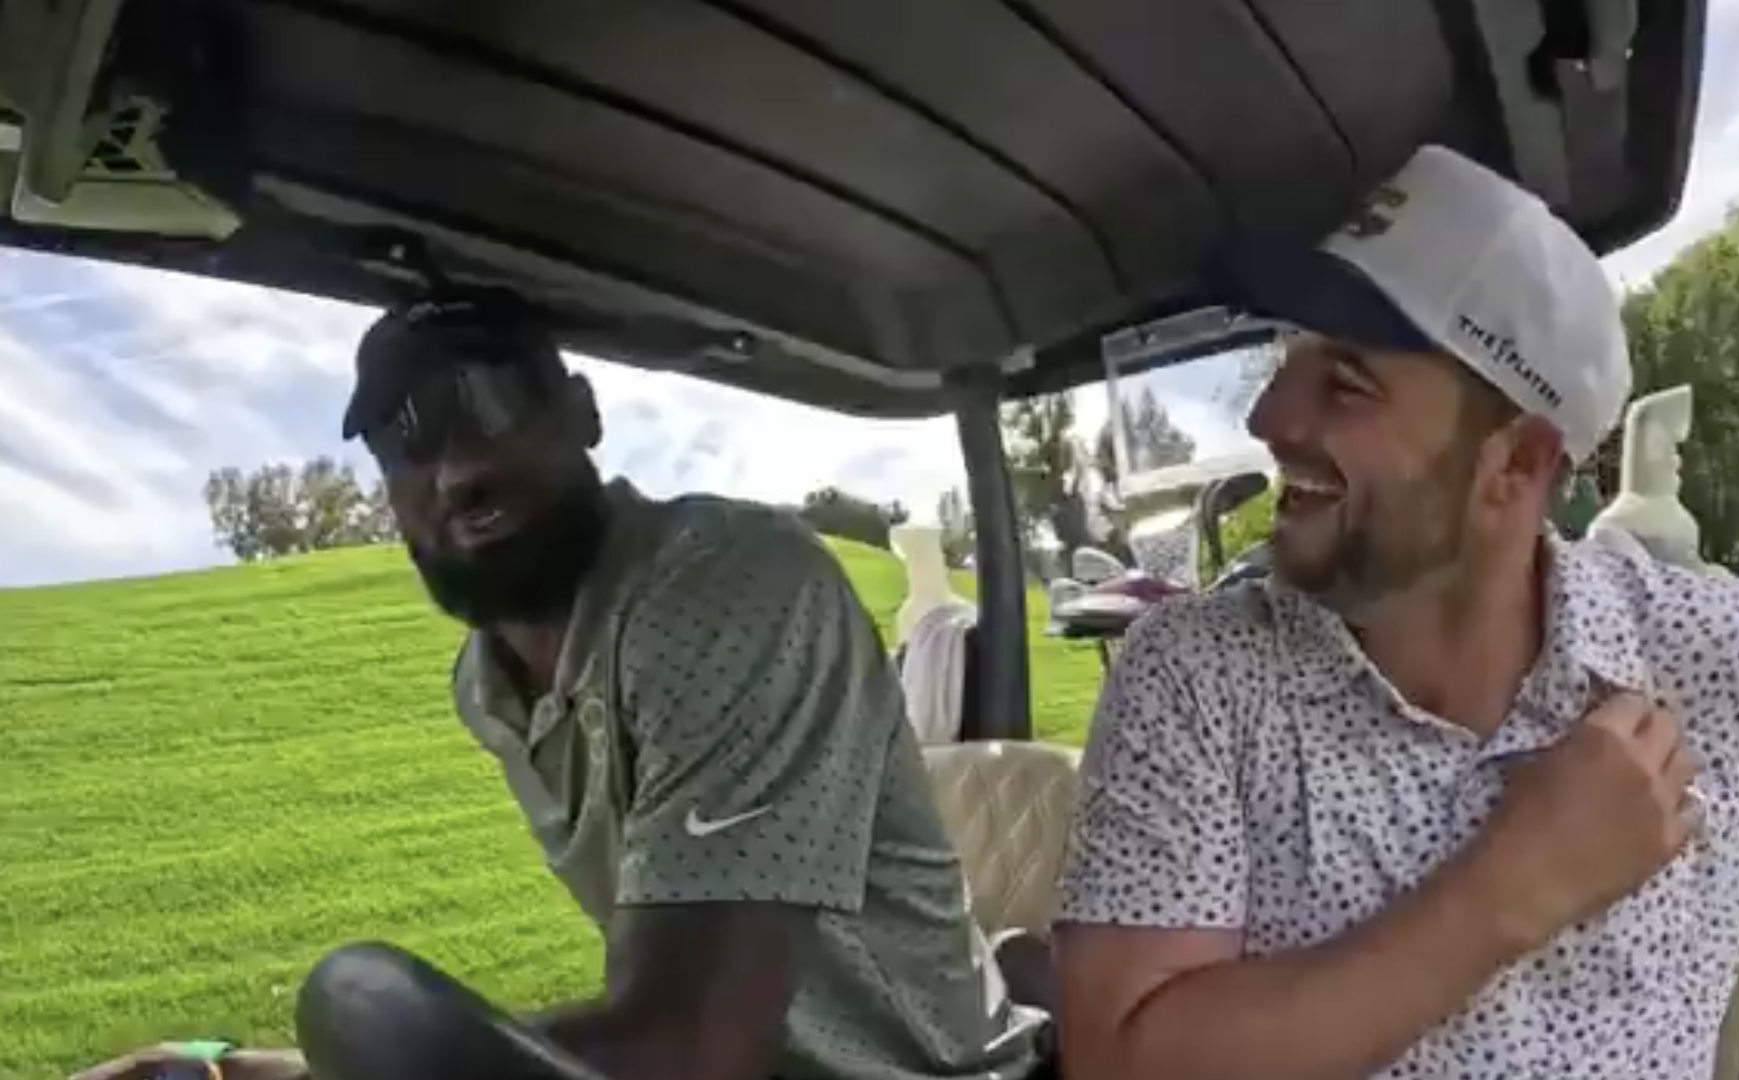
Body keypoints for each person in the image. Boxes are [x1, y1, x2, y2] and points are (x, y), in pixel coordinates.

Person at [72, 290, 1045, 1080]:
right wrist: (247, 1072)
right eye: (405, 441)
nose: (454, 469)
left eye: (490, 404)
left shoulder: (728, 587)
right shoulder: (489, 687)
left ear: (582, 412)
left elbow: (687, 1049)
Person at [1050, 143, 1739, 1080]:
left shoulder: (1738, 665)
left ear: (1516, 465)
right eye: (1288, 360)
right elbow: (1117, 1061)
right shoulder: (1196, 677)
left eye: (1344, 383)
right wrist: (1510, 888)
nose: (1268, 418)